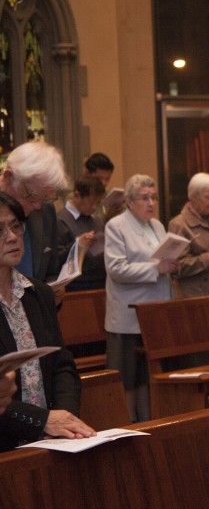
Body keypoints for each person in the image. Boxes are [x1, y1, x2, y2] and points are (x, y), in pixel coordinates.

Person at [0, 192, 94, 451]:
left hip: (51, 442)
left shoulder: (38, 293)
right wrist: (42, 420)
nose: (12, 236)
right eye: (0, 230)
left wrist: (64, 419)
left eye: (16, 226)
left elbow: (62, 364)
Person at [104, 175, 178, 422]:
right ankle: (127, 424)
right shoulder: (116, 226)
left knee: (148, 373)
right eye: (144, 198)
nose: (151, 203)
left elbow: (161, 260)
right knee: (128, 376)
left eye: (154, 197)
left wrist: (171, 264)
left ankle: (150, 421)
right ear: (130, 201)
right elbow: (117, 270)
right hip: (128, 315)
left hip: (155, 310)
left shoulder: (157, 225)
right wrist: (156, 269)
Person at [0, 142, 67, 285]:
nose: (38, 206)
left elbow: (51, 270)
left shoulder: (46, 211)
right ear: (8, 177)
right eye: (31, 196)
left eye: (46, 197)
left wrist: (52, 293)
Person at [56, 175, 107, 291]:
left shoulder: (97, 221)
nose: (94, 207)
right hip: (75, 289)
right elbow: (55, 261)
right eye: (91, 202)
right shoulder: (60, 220)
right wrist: (78, 246)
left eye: (98, 203)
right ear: (77, 195)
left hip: (101, 285)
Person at [84, 152, 123, 222]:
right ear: (87, 173)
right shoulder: (78, 197)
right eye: (99, 178)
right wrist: (107, 217)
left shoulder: (109, 196)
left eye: (107, 179)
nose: (104, 183)